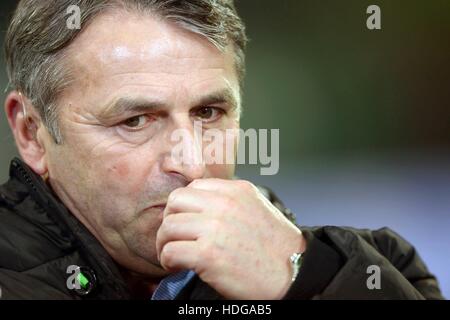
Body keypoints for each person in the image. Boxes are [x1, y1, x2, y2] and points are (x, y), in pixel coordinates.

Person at [0, 0, 443, 300]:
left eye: (208, 112)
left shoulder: (377, 268)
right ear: (31, 131)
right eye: (134, 121)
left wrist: (308, 277)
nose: (192, 163)